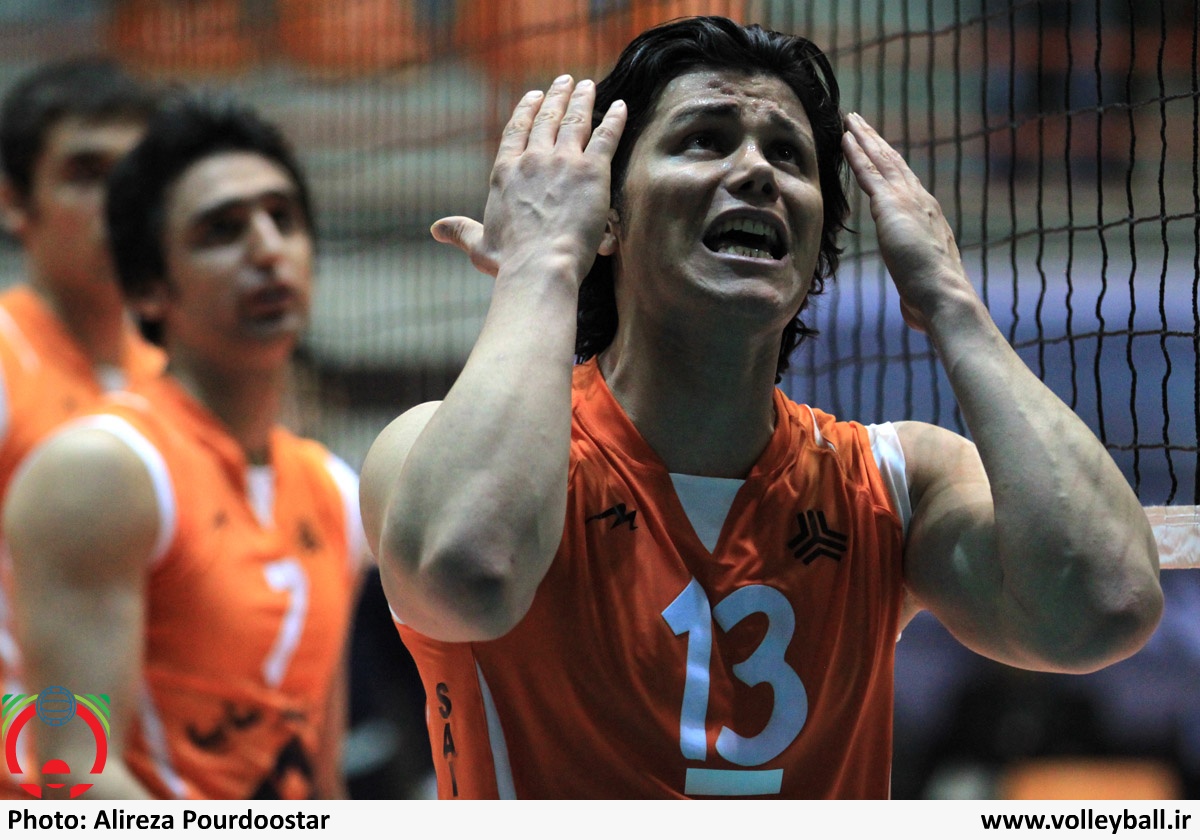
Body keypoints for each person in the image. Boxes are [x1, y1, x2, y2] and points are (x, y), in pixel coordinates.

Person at [359, 16, 1162, 798]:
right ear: (606, 214)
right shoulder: (432, 449)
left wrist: (952, 303)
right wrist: (542, 266)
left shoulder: (895, 483)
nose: (756, 172)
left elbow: (1107, 608)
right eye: (704, 139)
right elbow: (468, 577)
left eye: (787, 154)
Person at [4, 92, 367, 799]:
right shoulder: (98, 470)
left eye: (283, 218)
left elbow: (320, 779)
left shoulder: (333, 489)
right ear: (147, 290)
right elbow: (71, 774)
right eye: (222, 231)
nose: (267, 248)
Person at [0, 57, 164, 798]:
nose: (119, 200)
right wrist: (51, 776)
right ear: (14, 202)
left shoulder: (173, 376)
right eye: (86, 174)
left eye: (137, 174)